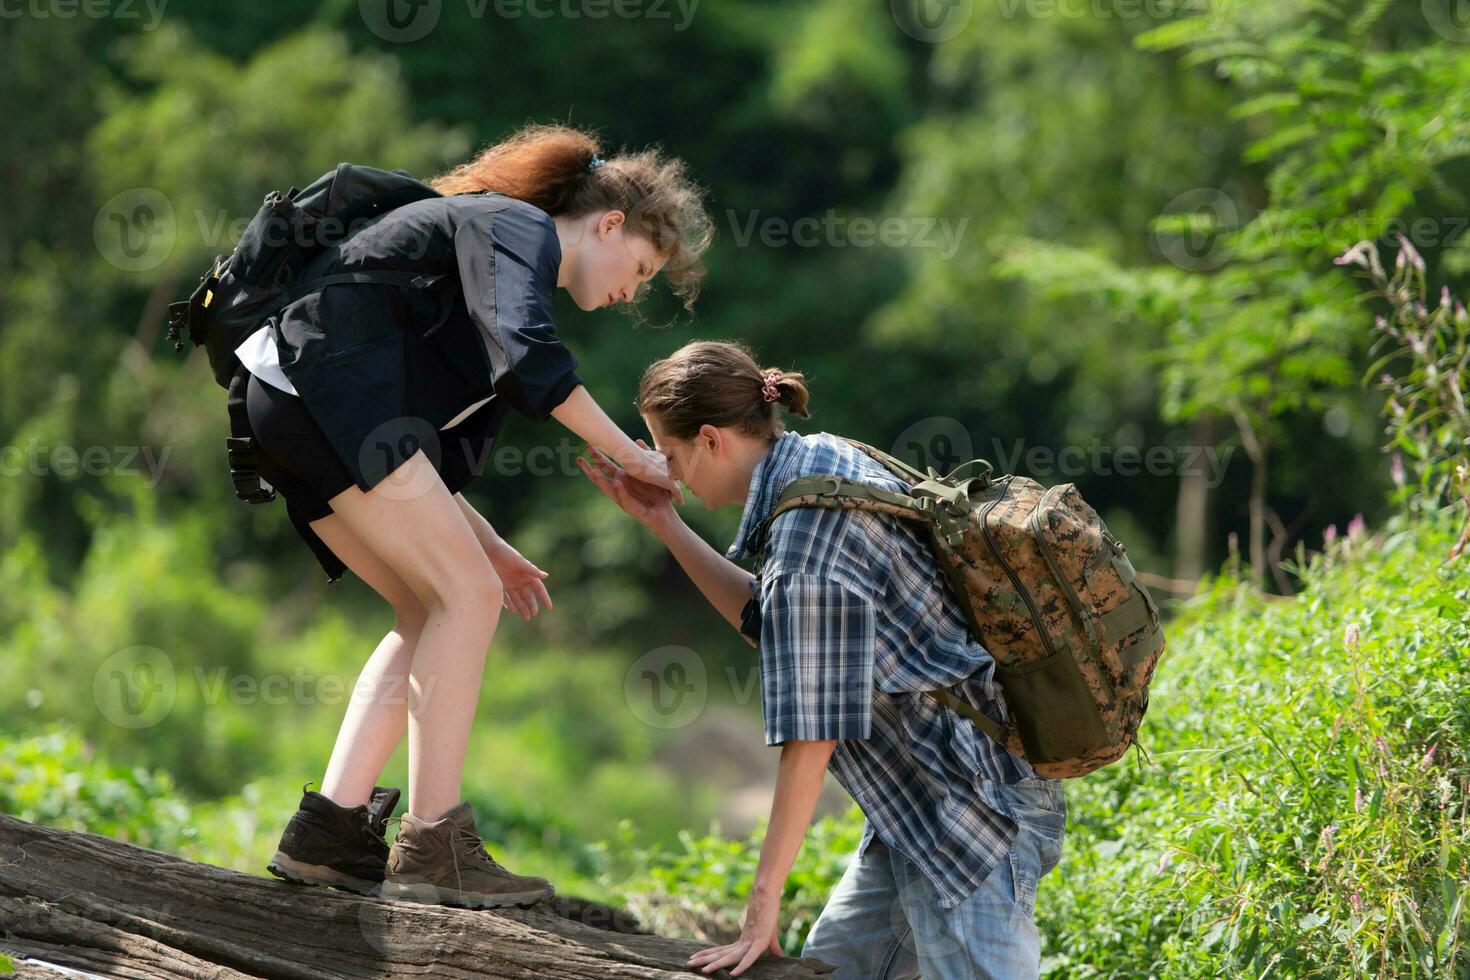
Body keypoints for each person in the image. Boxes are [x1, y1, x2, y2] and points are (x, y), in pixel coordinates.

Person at [248, 123, 714, 909]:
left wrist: (487, 542)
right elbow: (531, 360)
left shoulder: (488, 260)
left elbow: (413, 454)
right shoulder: (517, 227)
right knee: (464, 596)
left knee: (427, 602)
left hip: (286, 398)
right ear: (608, 224)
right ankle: (435, 844)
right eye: (639, 268)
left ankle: (326, 834)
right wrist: (635, 457)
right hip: (319, 388)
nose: (633, 293)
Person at [577, 340, 1067, 978]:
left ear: (710, 439)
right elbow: (777, 624)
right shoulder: (818, 462)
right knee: (831, 967)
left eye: (669, 455)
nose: (669, 472)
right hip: (916, 809)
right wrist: (666, 525)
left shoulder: (810, 535)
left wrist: (761, 907)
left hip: (970, 811)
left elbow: (814, 730)